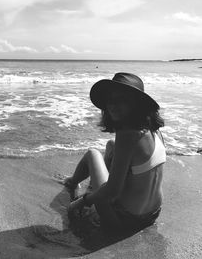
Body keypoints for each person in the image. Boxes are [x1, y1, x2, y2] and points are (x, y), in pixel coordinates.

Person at [66, 72, 166, 233]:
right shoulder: (154, 130)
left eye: (122, 100)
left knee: (92, 154)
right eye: (110, 100)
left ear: (136, 103)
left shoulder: (127, 135)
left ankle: (72, 182)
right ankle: (93, 187)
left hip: (123, 220)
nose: (113, 105)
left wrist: (83, 201)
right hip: (152, 214)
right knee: (111, 145)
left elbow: (113, 191)